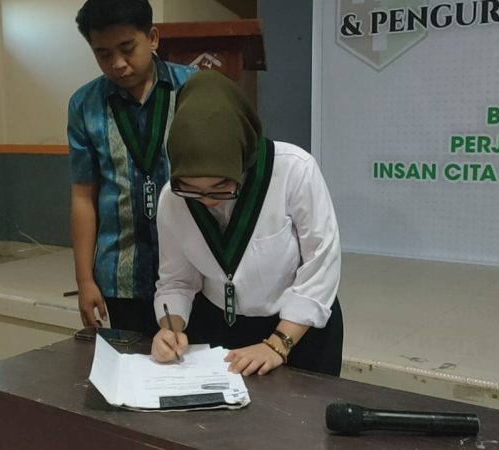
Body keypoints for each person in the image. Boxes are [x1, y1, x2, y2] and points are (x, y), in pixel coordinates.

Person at [151, 71, 344, 377]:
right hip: (219, 328)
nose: (208, 201)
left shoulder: (294, 170)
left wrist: (277, 345)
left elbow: (321, 263)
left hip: (297, 328)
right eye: (192, 189)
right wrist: (170, 329)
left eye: (221, 187)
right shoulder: (173, 198)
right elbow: (177, 280)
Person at [68, 0, 196, 334]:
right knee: (132, 362)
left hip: (193, 271)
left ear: (152, 38)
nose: (118, 64)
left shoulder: (193, 89)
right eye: (103, 54)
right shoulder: (85, 105)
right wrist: (84, 280)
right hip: (120, 273)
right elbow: (83, 196)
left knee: (193, 360)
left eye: (127, 49)